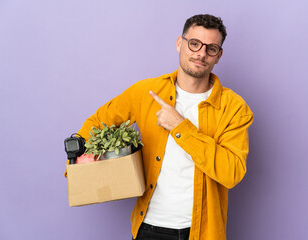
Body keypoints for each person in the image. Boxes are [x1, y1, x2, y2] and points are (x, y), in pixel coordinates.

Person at [75, 14, 253, 240]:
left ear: (218, 56)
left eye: (211, 48)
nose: (201, 53)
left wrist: (180, 126)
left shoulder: (234, 108)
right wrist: (76, 167)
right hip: (148, 228)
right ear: (180, 43)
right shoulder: (146, 92)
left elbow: (232, 173)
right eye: (195, 44)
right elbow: (95, 124)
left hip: (201, 232)